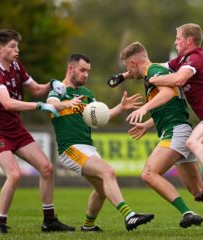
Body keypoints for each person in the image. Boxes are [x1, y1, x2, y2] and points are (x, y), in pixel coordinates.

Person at [108, 24, 203, 235]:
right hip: (187, 124)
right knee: (199, 187)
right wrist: (122, 77)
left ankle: (191, 207)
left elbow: (172, 89)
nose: (175, 42)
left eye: (177, 38)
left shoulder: (187, 61)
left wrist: (146, 105)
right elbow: (164, 89)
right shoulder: (174, 63)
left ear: (189, 40)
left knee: (149, 173)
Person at [46, 53, 154, 232]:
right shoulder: (59, 89)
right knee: (108, 171)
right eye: (82, 70)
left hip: (87, 147)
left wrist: (120, 107)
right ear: (70, 68)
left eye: (88, 71)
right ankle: (129, 216)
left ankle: (88, 226)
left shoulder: (87, 94)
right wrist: (66, 104)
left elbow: (101, 116)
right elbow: (51, 104)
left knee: (102, 189)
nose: (86, 74)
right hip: (70, 148)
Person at [0, 29, 76, 234]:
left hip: (16, 128)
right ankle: (0, 224)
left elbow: (36, 89)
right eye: (13, 46)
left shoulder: (16, 65)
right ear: (0, 49)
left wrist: (52, 83)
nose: (18, 50)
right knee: (14, 175)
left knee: (46, 168)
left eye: (18, 46)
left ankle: (49, 221)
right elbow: (7, 103)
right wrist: (40, 106)